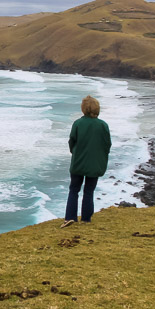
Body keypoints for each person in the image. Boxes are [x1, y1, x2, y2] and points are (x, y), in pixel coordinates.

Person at [61, 95, 111, 228]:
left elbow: (72, 142)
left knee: (74, 189)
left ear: (84, 109)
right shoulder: (103, 125)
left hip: (78, 162)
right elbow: (107, 145)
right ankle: (86, 219)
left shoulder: (78, 123)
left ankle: (70, 217)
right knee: (89, 191)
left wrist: (76, 153)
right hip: (95, 164)